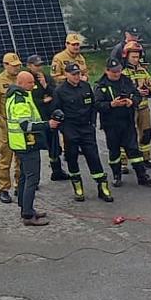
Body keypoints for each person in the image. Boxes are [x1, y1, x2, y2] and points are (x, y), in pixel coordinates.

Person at [50, 62, 109, 202]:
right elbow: (55, 111)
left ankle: (102, 186)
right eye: (73, 74)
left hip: (86, 127)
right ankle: (77, 186)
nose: (77, 76)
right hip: (71, 128)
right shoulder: (60, 91)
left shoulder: (86, 86)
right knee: (72, 157)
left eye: (78, 74)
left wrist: (93, 123)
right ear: (66, 75)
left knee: (93, 156)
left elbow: (93, 106)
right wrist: (64, 130)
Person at [94, 58, 151, 188]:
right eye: (114, 72)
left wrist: (131, 102)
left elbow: (136, 95)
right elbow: (97, 105)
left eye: (118, 71)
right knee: (114, 152)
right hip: (111, 124)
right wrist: (111, 104)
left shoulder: (126, 81)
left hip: (127, 121)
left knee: (133, 149)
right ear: (107, 71)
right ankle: (117, 176)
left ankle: (142, 176)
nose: (117, 74)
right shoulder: (101, 85)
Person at [5, 71, 49, 226]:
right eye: (30, 83)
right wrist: (47, 125)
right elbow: (25, 125)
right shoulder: (19, 100)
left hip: (19, 143)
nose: (33, 85)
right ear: (21, 83)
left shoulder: (15, 95)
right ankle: (28, 215)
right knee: (32, 178)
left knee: (24, 176)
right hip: (26, 143)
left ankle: (25, 207)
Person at [0, 53, 23, 205]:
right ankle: (4, 189)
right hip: (7, 127)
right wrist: (3, 124)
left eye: (18, 65)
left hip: (21, 125)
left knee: (21, 158)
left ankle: (19, 184)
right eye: (13, 65)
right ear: (5, 65)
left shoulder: (21, 78)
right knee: (5, 159)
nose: (16, 68)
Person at [123, 45, 151, 173]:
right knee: (127, 136)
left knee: (146, 133)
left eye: (137, 57)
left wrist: (149, 90)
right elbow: (121, 91)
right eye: (133, 57)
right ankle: (123, 163)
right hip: (129, 109)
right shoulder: (123, 73)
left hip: (144, 108)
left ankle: (146, 158)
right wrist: (135, 92)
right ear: (126, 56)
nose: (136, 59)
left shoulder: (142, 71)